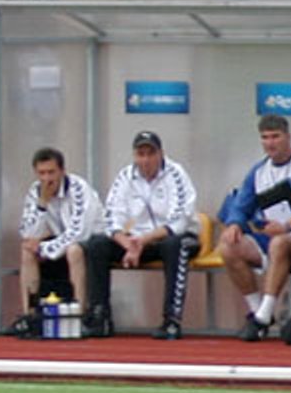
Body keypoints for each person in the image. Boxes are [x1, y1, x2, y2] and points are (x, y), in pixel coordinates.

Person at [216, 113, 291, 341]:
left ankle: (264, 315)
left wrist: (287, 227)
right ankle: (257, 311)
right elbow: (241, 205)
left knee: (279, 243)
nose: (270, 143)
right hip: (268, 237)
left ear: (288, 137)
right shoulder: (258, 171)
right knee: (228, 246)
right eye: (265, 138)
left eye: (275, 137)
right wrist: (234, 224)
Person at [84, 130, 200, 340]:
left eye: (151, 154)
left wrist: (142, 241)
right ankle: (100, 317)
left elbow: (179, 221)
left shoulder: (176, 174)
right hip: (136, 241)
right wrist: (127, 243)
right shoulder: (125, 176)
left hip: (174, 238)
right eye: (141, 154)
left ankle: (171, 320)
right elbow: (111, 217)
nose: (145, 160)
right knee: (96, 244)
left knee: (174, 245)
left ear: (161, 154)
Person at [14, 146, 101, 328]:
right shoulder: (35, 191)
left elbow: (79, 232)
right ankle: (30, 315)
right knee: (27, 250)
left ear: (62, 171)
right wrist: (42, 204)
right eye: (42, 173)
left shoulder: (79, 189)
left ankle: (79, 315)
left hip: (93, 241)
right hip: (60, 240)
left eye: (51, 172)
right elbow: (27, 233)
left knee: (74, 250)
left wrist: (44, 248)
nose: (47, 179)